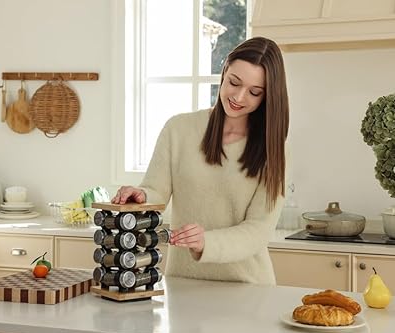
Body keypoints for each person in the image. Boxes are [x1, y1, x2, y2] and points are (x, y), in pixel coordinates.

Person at [112, 36, 289, 284]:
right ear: (224, 71)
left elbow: (258, 230)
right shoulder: (179, 129)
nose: (239, 96)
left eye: (254, 92)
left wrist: (207, 242)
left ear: (268, 96)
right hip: (182, 284)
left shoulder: (273, 150)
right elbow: (155, 192)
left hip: (248, 288)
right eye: (234, 82)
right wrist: (140, 196)